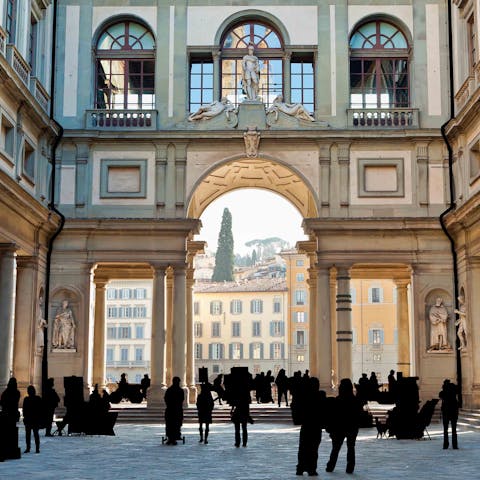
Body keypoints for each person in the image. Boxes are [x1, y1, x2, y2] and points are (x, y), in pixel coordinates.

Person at [325, 378, 364, 474]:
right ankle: (350, 468)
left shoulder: (338, 400)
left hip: (339, 427)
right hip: (352, 427)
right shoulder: (355, 401)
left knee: (336, 448)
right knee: (351, 447)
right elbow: (359, 414)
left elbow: (333, 415)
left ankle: (330, 466)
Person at [296, 377, 326, 476]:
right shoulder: (320, 395)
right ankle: (311, 468)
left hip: (306, 425)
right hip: (316, 426)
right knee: (313, 449)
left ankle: (300, 467)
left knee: (303, 447)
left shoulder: (304, 396)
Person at [439, 379, 459, 449]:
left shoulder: (443, 393)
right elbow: (457, 390)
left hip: (446, 412)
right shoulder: (454, 390)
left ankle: (445, 445)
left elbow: (440, 395)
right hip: (453, 412)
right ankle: (455, 445)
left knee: (445, 430)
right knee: (454, 429)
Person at [22, 385, 43, 454]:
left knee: (29, 434)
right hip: (34, 419)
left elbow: (24, 410)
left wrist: (25, 417)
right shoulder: (37, 398)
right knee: (35, 434)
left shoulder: (26, 399)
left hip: (30, 419)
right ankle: (36, 448)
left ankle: (29, 448)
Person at [164, 377, 184, 445]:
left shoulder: (169, 390)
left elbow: (166, 399)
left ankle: (170, 438)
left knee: (170, 424)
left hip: (170, 409)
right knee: (176, 423)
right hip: (177, 409)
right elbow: (182, 399)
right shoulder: (180, 390)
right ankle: (175, 436)